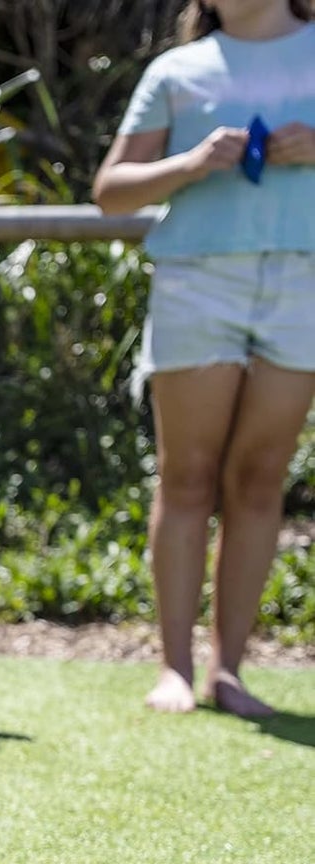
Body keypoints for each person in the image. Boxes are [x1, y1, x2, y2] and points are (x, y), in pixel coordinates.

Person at [93, 0, 315, 717]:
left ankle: (230, 671)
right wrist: (189, 165)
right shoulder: (175, 70)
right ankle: (175, 669)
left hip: (303, 284)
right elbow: (110, 192)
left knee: (259, 478)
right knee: (186, 476)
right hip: (196, 282)